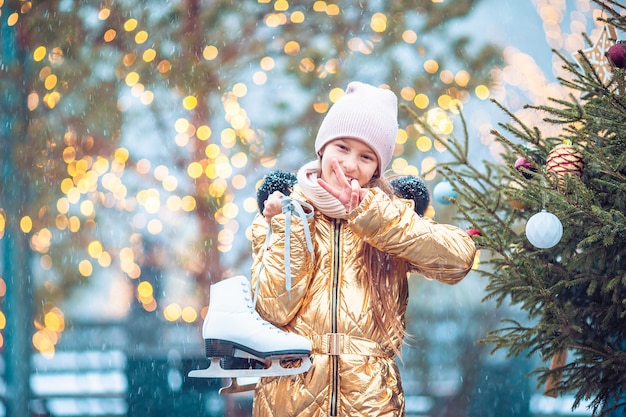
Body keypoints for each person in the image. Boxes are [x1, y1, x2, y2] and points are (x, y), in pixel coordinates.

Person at [250, 81, 476, 416]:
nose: (351, 165)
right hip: (287, 398)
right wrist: (290, 224)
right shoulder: (280, 215)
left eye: (366, 156)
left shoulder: (388, 216)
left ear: (376, 167)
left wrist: (371, 216)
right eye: (342, 147)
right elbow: (273, 311)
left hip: (371, 402)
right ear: (322, 150)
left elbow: (459, 260)